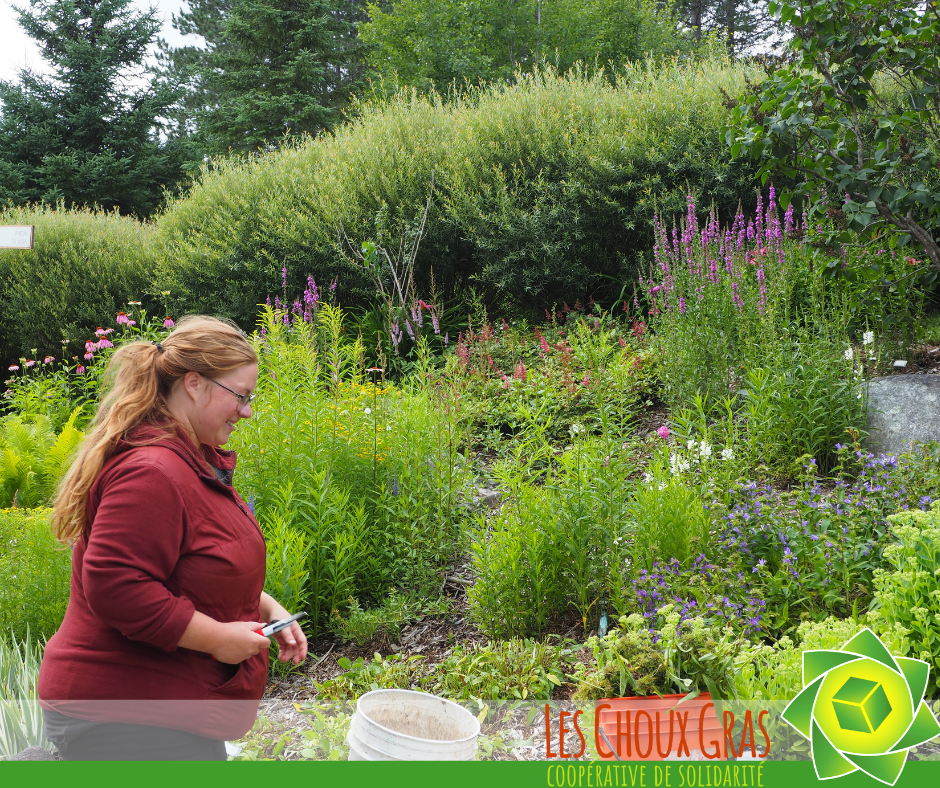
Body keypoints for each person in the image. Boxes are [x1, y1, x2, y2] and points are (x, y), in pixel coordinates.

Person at [38, 316, 307, 760]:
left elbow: (195, 561)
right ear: (195, 384)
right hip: (120, 716)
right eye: (240, 396)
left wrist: (263, 604)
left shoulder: (189, 457)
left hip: (155, 709)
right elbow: (117, 587)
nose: (248, 411)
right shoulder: (153, 471)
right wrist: (219, 638)